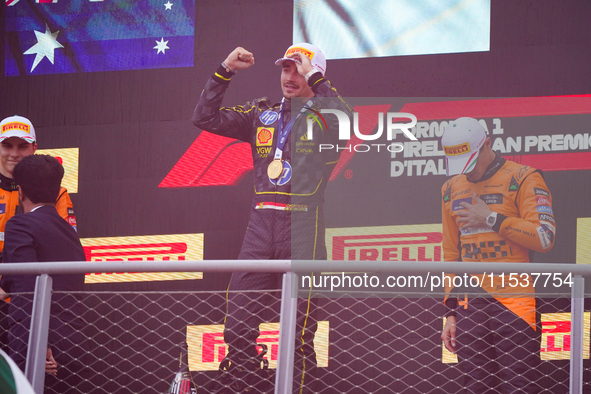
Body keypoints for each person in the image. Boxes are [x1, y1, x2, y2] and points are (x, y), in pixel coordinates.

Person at [192, 43, 350, 392]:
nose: (289, 76)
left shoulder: (326, 119)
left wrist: (317, 77)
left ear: (314, 75)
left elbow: (346, 119)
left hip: (303, 229)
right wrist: (225, 70)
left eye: (299, 70)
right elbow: (204, 117)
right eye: (285, 69)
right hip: (260, 227)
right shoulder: (261, 112)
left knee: (297, 335)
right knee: (236, 327)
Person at [439, 117, 556, 393]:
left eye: (470, 162)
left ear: (487, 144)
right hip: (470, 301)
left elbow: (545, 237)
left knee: (520, 385)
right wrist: (450, 312)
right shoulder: (450, 188)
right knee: (474, 386)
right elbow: (450, 252)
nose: (467, 173)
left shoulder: (524, 177)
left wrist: (492, 218)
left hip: (515, 298)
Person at [0, 154, 90, 393]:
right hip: (70, 345)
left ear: (20, 191)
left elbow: (28, 287)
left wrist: (41, 344)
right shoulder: (69, 232)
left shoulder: (19, 225)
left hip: (35, 346)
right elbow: (9, 283)